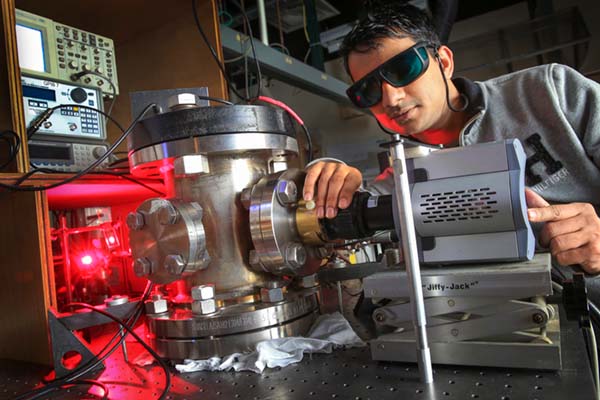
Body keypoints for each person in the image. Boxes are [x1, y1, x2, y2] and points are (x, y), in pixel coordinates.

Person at [303, 3, 600, 273]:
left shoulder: (548, 92)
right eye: (368, 90)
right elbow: (343, 217)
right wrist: (332, 176)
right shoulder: (401, 175)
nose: (391, 98)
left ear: (443, 61)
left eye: (403, 69)